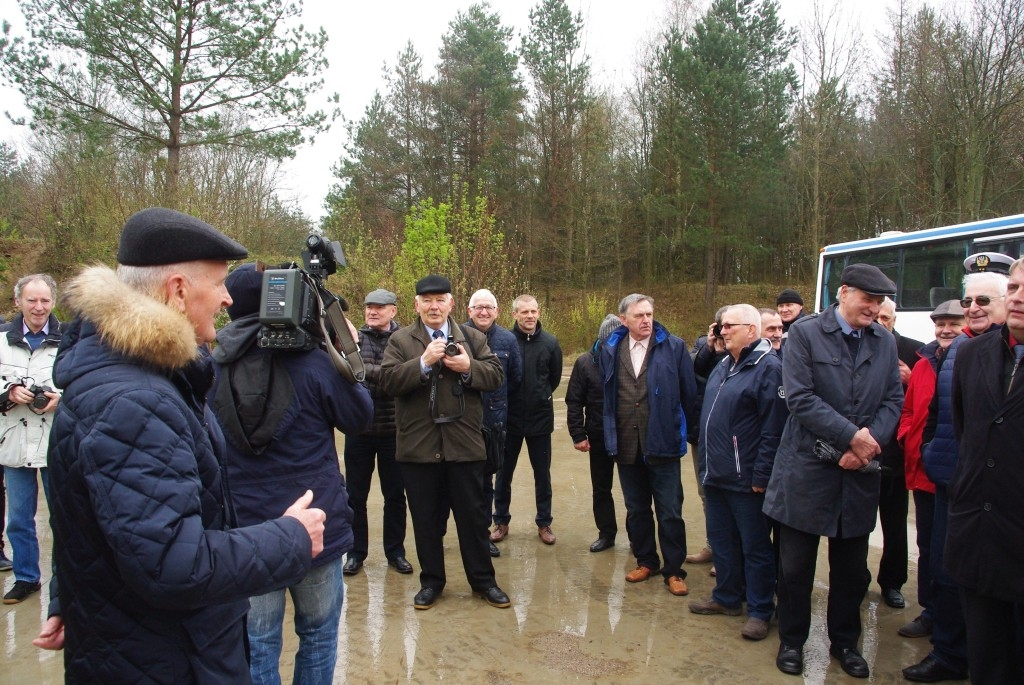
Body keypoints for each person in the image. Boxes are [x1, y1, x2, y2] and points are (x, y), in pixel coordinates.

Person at [39, 208, 326, 682]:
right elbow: (174, 563)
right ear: (177, 290)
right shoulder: (135, 402)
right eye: (218, 284)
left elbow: (90, 512)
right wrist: (290, 537)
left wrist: (68, 594)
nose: (228, 298)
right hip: (168, 658)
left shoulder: (135, 376)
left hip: (137, 643)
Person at [210, 263, 373, 685]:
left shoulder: (209, 365)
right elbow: (359, 417)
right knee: (318, 634)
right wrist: (344, 353)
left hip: (247, 531)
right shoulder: (312, 362)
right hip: (316, 524)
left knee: (258, 641)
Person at [764, 264, 903, 679]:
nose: (874, 308)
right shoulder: (805, 334)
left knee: (850, 571)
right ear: (843, 293)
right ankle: (792, 641)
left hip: (858, 474)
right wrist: (852, 438)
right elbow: (801, 399)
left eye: (880, 302)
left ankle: (845, 642)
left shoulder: (884, 341)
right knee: (795, 570)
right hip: (806, 471)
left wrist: (867, 444)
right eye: (868, 299)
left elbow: (893, 400)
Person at [903, 253, 1012, 683]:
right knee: (950, 569)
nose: (973, 309)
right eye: (968, 301)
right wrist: (933, 452)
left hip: (1004, 490)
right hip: (955, 482)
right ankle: (950, 652)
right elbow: (940, 413)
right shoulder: (962, 353)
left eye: (985, 299)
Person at [380, 274, 509, 610]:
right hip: (418, 450)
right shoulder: (401, 340)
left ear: (451, 303)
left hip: (464, 447)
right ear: (416, 305)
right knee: (425, 521)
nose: (434, 306)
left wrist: (469, 367)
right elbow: (388, 381)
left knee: (473, 519)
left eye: (440, 300)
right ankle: (432, 583)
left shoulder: (472, 337)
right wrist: (423, 362)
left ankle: (483, 581)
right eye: (427, 300)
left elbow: (496, 375)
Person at [689, 304, 787, 641]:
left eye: (729, 326)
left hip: (746, 479)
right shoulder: (724, 366)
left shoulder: (768, 369)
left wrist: (761, 476)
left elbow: (774, 430)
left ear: (751, 329)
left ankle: (761, 609)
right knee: (722, 541)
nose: (722, 331)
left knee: (755, 547)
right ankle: (726, 597)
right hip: (716, 474)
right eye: (720, 326)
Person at [947, 255, 1024, 684]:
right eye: (1013, 288)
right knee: (988, 663)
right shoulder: (972, 354)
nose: (1017, 299)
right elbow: (968, 434)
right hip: (978, 533)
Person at [601, 293, 697, 597]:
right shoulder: (611, 348)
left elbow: (689, 395)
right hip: (627, 444)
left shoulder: (674, 347)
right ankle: (646, 561)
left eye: (649, 314)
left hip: (663, 443)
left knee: (670, 511)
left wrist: (684, 432)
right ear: (624, 319)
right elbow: (607, 396)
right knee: (636, 509)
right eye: (639, 315)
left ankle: (674, 570)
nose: (646, 320)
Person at [896, 299, 964, 642]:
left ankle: (954, 618)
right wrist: (911, 441)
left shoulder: (969, 358)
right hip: (923, 472)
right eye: (940, 323)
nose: (946, 329)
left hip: (957, 478)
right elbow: (908, 409)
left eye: (954, 323)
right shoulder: (923, 363)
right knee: (927, 544)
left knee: (954, 549)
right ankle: (929, 609)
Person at [0, 274, 61, 605]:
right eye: (32, 300)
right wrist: (9, 391)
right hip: (13, 439)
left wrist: (59, 397)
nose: (38, 307)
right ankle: (26, 577)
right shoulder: (0, 341)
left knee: (61, 516)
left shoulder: (68, 341)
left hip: (54, 441)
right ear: (18, 302)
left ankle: (63, 582)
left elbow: (83, 382)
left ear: (53, 302)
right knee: (19, 517)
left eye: (45, 301)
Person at [343, 288, 412, 576]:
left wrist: (365, 371)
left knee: (395, 495)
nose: (372, 311)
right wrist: (382, 375)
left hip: (394, 430)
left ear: (393, 311)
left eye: (379, 307)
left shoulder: (404, 341)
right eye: (369, 307)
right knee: (354, 496)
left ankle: (395, 552)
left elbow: (397, 381)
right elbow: (347, 374)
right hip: (359, 429)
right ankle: (355, 553)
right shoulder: (352, 340)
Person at [491, 294, 562, 546]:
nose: (529, 316)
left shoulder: (551, 343)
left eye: (533, 311)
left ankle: (544, 523)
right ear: (514, 315)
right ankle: (500, 521)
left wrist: (541, 396)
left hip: (540, 420)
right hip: (509, 420)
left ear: (538, 312)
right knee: (503, 473)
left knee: (542, 475)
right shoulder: (505, 341)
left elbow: (553, 379)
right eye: (524, 312)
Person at [873, 297, 924, 609]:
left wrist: (911, 379)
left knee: (894, 524)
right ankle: (856, 579)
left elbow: (928, 401)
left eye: (886, 318)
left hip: (895, 452)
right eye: (876, 317)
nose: (880, 323)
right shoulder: (854, 346)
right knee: (855, 525)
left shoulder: (915, 351)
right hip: (860, 450)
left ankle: (892, 583)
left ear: (894, 320)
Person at [464, 288, 522, 558]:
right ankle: (454, 534)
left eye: (489, 307)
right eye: (479, 307)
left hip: (493, 425)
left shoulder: (508, 340)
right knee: (459, 484)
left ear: (497, 312)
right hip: (460, 423)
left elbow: (516, 379)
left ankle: (482, 535)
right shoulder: (456, 335)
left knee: (486, 483)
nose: (484, 312)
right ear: (469, 311)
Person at [565, 314, 623, 553]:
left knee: (635, 491)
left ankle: (641, 537)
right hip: (598, 435)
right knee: (601, 488)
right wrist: (578, 434)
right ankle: (606, 534)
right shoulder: (585, 362)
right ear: (602, 339)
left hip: (629, 434)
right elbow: (574, 401)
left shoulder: (631, 360)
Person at [685, 306, 729, 569]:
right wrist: (710, 348)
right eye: (721, 325)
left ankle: (728, 554)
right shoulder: (704, 345)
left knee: (731, 495)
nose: (725, 331)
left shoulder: (747, 349)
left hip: (730, 437)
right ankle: (714, 546)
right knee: (706, 493)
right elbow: (691, 371)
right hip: (701, 433)